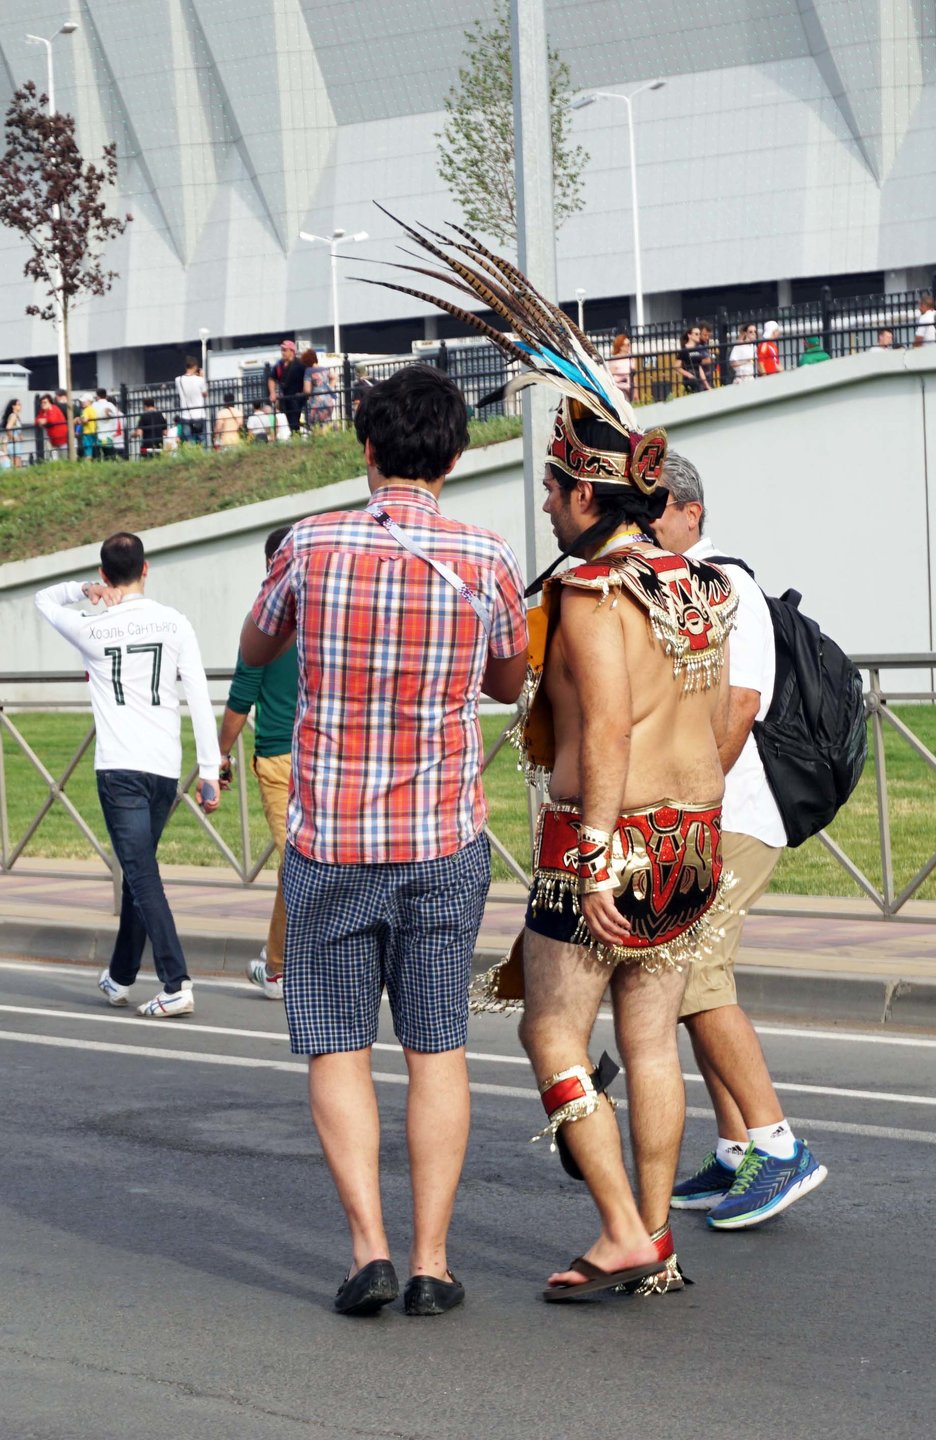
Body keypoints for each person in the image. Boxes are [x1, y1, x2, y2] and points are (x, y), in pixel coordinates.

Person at [240, 364, 528, 1317]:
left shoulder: (312, 546)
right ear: (455, 455)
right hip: (444, 837)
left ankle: (366, 1246)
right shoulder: (485, 556)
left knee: (337, 1045)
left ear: (366, 447)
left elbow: (257, 644)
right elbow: (505, 683)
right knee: (436, 1045)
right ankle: (431, 1264)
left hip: (329, 837)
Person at [651, 454, 827, 1229]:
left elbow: (741, 705)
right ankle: (734, 1152)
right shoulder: (672, 583)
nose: (647, 523)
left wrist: (693, 802)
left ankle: (780, 1147)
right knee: (693, 977)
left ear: (692, 512)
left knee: (694, 975)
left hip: (736, 811)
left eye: (658, 510)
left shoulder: (723, 584)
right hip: (708, 811)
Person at [34, 532, 221, 1018]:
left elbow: (42, 598)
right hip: (162, 768)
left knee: (140, 873)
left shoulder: (89, 626)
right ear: (146, 569)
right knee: (141, 873)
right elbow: (199, 696)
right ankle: (119, 977)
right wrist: (207, 770)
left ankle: (176, 981)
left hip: (118, 767)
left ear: (103, 575)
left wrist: (83, 591)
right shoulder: (174, 622)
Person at [217, 526, 298, 1000]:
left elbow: (241, 697)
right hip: (325, 754)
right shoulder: (330, 610)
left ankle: (280, 968)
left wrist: (219, 756)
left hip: (280, 758)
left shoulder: (264, 619)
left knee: (299, 865)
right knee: (306, 864)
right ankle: (279, 966)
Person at [267, 339, 305, 433]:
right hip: (286, 398)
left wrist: (304, 392)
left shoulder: (300, 364)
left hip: (299, 398)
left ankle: (297, 435)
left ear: (292, 351)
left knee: (296, 420)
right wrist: (272, 393)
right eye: (282, 350)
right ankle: (295, 436)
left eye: (285, 350)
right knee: (291, 422)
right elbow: (271, 378)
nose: (282, 352)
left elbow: (307, 377)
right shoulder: (279, 365)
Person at [175, 356, 208, 444]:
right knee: (202, 440)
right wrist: (202, 377)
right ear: (195, 367)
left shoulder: (178, 380)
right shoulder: (200, 380)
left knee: (188, 441)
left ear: (185, 367)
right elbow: (205, 394)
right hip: (199, 415)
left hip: (185, 415)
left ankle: (191, 456)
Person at [304, 353, 337, 430]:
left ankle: (322, 438)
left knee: (316, 426)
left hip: (316, 401)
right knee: (325, 422)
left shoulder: (308, 371)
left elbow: (307, 390)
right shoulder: (324, 369)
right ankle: (332, 429)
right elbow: (334, 377)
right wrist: (329, 387)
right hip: (328, 400)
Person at [677, 326, 710, 393]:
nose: (698, 336)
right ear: (689, 335)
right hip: (689, 380)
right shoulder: (684, 350)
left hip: (697, 380)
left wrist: (706, 384)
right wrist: (689, 375)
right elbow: (677, 366)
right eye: (696, 334)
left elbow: (699, 367)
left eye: (699, 334)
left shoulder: (697, 349)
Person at [36, 393, 70, 459]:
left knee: (64, 457)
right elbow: (37, 420)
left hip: (62, 438)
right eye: (42, 403)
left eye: (45, 402)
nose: (42, 404)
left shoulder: (54, 409)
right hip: (53, 440)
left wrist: (44, 420)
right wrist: (42, 421)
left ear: (50, 403)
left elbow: (52, 420)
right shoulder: (42, 411)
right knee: (53, 458)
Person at [607, 332, 636, 402]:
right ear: (620, 346)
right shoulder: (614, 359)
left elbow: (634, 376)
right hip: (620, 389)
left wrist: (636, 392)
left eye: (629, 344)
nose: (629, 346)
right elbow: (611, 376)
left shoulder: (631, 359)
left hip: (630, 388)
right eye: (627, 345)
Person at [91, 388, 120, 459]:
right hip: (109, 435)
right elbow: (115, 419)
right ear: (106, 396)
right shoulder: (111, 405)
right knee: (110, 456)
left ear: (97, 396)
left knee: (96, 456)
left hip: (97, 435)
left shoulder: (94, 405)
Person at [2, 398, 24, 467]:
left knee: (17, 463)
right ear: (13, 406)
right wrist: (13, 438)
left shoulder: (16, 416)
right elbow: (8, 428)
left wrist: (21, 437)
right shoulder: (13, 416)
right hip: (14, 444)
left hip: (17, 444)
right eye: (18, 404)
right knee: (16, 464)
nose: (20, 406)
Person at [698, 322, 715, 388]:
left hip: (708, 376)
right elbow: (698, 362)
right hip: (701, 378)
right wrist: (710, 359)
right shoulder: (697, 346)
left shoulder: (704, 344)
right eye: (705, 335)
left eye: (709, 335)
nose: (707, 337)